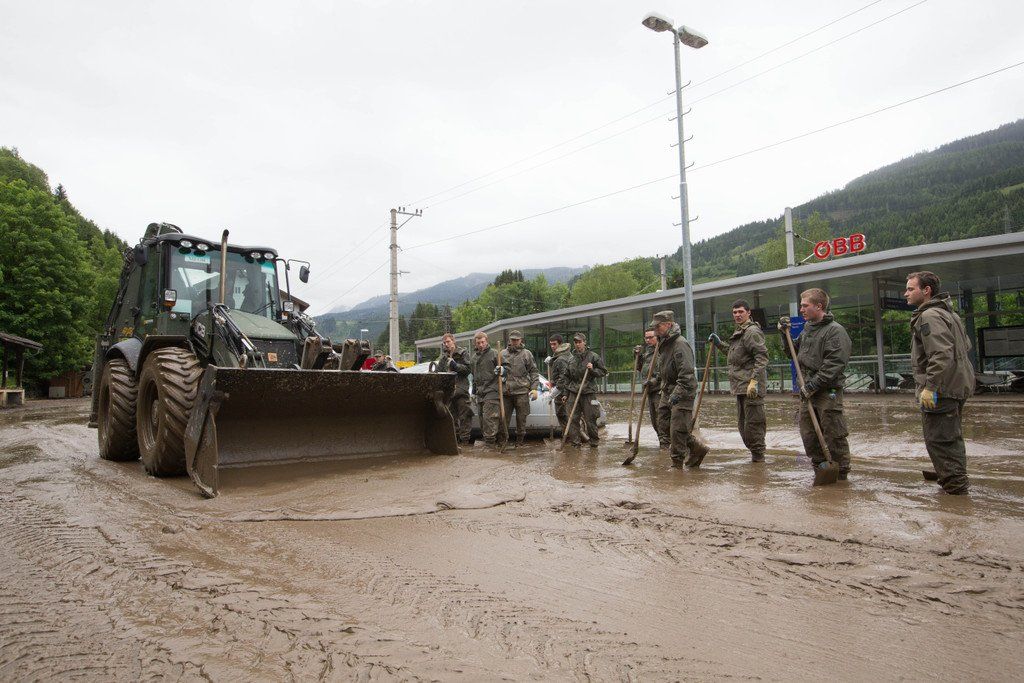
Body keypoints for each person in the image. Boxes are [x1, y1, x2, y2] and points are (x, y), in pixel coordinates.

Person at [905, 271, 974, 495]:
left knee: (940, 440)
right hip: (956, 385)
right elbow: (966, 346)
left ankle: (955, 490)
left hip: (942, 389)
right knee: (950, 438)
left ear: (926, 290)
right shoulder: (948, 313)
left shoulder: (930, 316)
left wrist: (930, 387)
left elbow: (941, 354)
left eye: (911, 289)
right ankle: (951, 478)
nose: (905, 293)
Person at [779, 288, 853, 479]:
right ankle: (820, 470)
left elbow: (834, 364)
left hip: (827, 391)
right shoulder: (807, 330)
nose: (801, 309)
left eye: (805, 306)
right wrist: (784, 334)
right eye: (801, 306)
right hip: (807, 391)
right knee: (809, 434)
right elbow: (792, 353)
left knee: (833, 432)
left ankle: (841, 474)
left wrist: (812, 386)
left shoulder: (835, 331)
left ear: (819, 306)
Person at [709, 299, 769, 462]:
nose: (737, 315)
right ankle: (756, 460)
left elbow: (762, 357)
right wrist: (719, 344)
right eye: (735, 312)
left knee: (753, 425)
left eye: (741, 311)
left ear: (748, 313)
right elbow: (734, 354)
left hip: (751, 388)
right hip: (741, 387)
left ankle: (759, 460)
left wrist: (754, 382)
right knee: (744, 427)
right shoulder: (740, 333)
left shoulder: (752, 332)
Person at [652, 310, 708, 467]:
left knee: (678, 429)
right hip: (667, 390)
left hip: (683, 391)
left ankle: (677, 465)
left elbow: (687, 374)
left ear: (668, 325)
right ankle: (697, 448)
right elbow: (664, 370)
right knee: (663, 425)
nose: (655, 331)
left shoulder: (680, 344)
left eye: (658, 327)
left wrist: (677, 393)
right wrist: (655, 381)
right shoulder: (663, 344)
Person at [564, 332, 607, 448]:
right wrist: (565, 394)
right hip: (574, 392)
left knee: (590, 418)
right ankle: (575, 444)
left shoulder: (593, 357)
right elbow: (566, 378)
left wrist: (592, 370)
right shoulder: (571, 360)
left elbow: (603, 372)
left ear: (584, 342)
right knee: (572, 419)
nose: (577, 344)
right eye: (575, 342)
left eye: (580, 342)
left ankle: (594, 443)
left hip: (589, 392)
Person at [469, 331, 508, 450]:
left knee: (489, 418)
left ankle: (490, 445)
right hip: (480, 391)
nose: (481, 345)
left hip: (493, 389)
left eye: (482, 342)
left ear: (486, 341)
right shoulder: (474, 358)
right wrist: (473, 392)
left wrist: (503, 370)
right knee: (482, 419)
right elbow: (474, 376)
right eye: (478, 343)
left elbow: (507, 367)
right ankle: (494, 442)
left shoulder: (495, 353)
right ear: (475, 343)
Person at [502, 330, 540, 447]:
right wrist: (498, 371)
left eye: (517, 340)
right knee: (503, 419)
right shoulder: (502, 354)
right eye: (513, 340)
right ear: (509, 340)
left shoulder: (526, 354)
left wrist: (534, 388)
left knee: (521, 418)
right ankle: (503, 441)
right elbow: (496, 371)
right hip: (506, 392)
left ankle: (520, 442)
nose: (515, 342)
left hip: (522, 391)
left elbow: (534, 372)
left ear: (521, 340)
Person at [437, 333, 473, 446]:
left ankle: (465, 441)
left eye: (448, 342)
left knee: (465, 415)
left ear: (453, 341)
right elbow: (438, 373)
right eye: (444, 343)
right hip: (449, 392)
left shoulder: (462, 353)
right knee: (451, 417)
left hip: (461, 390)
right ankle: (455, 441)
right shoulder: (444, 357)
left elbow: (468, 369)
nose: (446, 344)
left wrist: (456, 366)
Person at [638, 324, 669, 448]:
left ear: (657, 337)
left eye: (650, 337)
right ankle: (662, 442)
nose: (648, 340)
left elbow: (665, 371)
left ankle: (666, 444)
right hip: (649, 391)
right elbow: (640, 369)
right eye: (646, 338)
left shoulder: (662, 352)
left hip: (660, 390)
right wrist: (637, 356)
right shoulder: (647, 353)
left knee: (661, 419)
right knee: (654, 421)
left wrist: (654, 381)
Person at [546, 334, 572, 432]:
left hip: (564, 392)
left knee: (562, 414)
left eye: (554, 344)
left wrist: (554, 393)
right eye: (551, 344)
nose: (552, 346)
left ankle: (568, 436)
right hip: (565, 390)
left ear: (560, 344)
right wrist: (552, 361)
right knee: (563, 414)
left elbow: (563, 378)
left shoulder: (561, 359)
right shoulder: (562, 355)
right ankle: (569, 435)